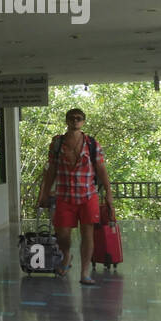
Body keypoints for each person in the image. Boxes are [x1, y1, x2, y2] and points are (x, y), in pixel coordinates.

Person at [38, 107, 116, 285]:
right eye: (72, 118)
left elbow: (102, 170)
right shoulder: (57, 143)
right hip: (64, 196)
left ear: (83, 121)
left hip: (88, 196)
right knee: (62, 235)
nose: (75, 121)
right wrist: (44, 193)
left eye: (79, 118)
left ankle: (85, 272)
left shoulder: (92, 144)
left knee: (87, 235)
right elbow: (51, 171)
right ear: (66, 120)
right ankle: (67, 255)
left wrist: (109, 194)